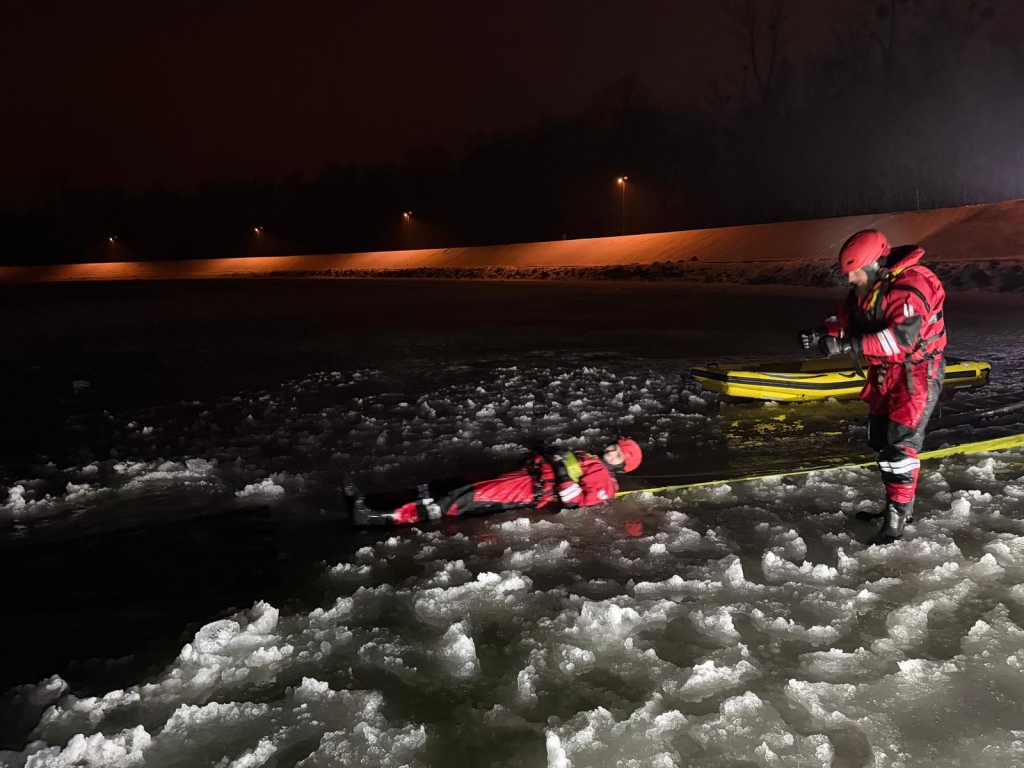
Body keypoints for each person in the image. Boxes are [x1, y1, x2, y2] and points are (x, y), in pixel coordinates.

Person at [800, 229, 946, 544]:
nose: (851, 279)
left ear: (873, 264)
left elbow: (901, 340)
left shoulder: (910, 287)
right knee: (882, 440)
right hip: (886, 374)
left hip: (916, 373)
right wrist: (821, 332)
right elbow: (847, 319)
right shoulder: (868, 288)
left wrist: (845, 346)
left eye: (855, 272)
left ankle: (897, 518)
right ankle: (897, 506)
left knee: (899, 445)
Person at [349, 438, 643, 526]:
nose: (611, 451)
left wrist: (560, 469)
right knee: (448, 483)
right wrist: (547, 451)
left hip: (525, 490)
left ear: (622, 465)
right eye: (614, 446)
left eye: (618, 453)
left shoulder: (604, 480)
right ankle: (378, 498)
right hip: (522, 476)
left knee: (460, 498)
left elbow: (574, 503)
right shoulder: (590, 457)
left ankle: (381, 518)